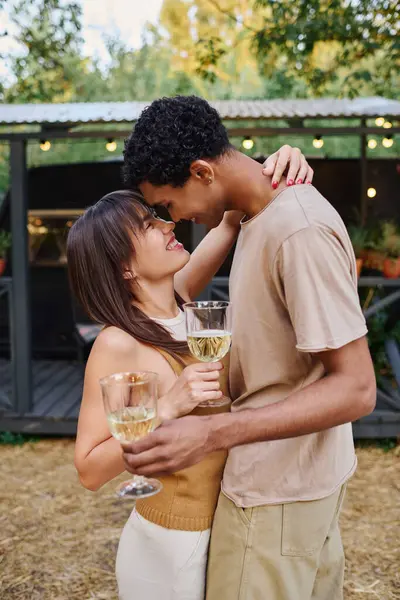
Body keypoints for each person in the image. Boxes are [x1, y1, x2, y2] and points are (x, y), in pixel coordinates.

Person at [121, 95, 377, 600]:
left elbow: (357, 389)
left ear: (200, 171)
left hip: (275, 495)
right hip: (295, 483)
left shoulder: (296, 229)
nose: (176, 219)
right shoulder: (258, 217)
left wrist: (212, 432)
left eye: (169, 205)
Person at [68, 146, 310, 600]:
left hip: (226, 532)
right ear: (123, 266)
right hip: (171, 545)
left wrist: (282, 159)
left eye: (160, 216)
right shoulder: (118, 342)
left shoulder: (180, 299)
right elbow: (88, 470)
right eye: (149, 225)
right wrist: (166, 407)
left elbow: (230, 218)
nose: (168, 224)